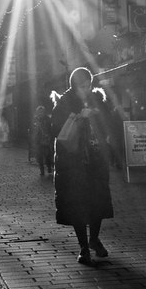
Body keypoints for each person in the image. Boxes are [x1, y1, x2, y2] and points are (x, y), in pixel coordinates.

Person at [50, 67, 114, 266]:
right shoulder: (64, 102)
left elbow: (109, 125)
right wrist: (79, 116)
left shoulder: (98, 100)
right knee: (76, 203)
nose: (86, 89)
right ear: (73, 85)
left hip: (96, 159)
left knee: (97, 201)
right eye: (82, 86)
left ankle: (94, 239)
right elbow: (56, 129)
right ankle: (83, 246)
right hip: (72, 162)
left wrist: (100, 119)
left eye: (88, 85)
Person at [31, 105, 55, 176]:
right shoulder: (35, 119)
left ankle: (49, 167)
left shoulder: (47, 119)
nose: (40, 113)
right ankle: (42, 170)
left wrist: (49, 135)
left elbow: (50, 128)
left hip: (46, 139)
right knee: (39, 156)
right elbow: (33, 128)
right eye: (39, 111)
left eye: (41, 111)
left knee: (47, 154)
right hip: (38, 139)